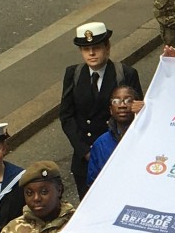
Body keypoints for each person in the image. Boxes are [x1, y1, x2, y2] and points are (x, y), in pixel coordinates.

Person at [60, 21, 144, 196]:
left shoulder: (125, 73)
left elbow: (138, 115)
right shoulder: (73, 74)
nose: (91, 53)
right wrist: (85, 151)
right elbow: (67, 116)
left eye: (96, 47)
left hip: (116, 150)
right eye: (85, 49)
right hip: (85, 157)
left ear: (107, 47)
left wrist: (142, 108)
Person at [85, 84, 142, 185]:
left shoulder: (149, 138)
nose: (122, 105)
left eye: (128, 100)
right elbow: (93, 182)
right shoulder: (100, 144)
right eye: (116, 101)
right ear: (111, 109)